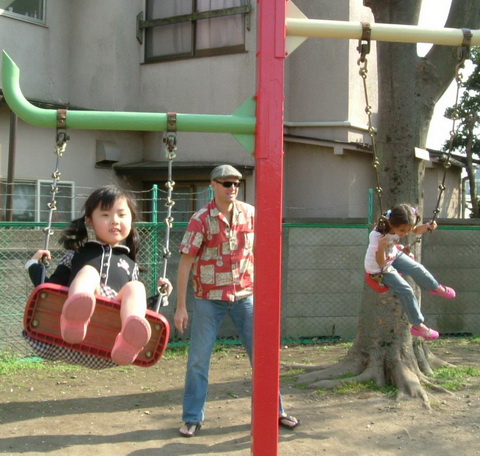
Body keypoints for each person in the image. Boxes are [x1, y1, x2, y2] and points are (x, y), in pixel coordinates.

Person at [174, 164, 299, 437]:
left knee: (263, 356)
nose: (233, 188)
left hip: (245, 296)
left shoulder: (250, 214)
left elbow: (263, 252)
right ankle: (192, 417)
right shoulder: (201, 219)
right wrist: (181, 306)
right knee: (198, 360)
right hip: (209, 298)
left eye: (236, 183)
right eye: (226, 183)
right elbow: (185, 263)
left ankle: (275, 411)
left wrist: (266, 294)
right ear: (213, 185)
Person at [26, 185, 172, 366]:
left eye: (122, 215)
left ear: (131, 220)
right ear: (89, 221)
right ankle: (76, 317)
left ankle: (128, 342)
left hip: (109, 344)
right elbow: (49, 292)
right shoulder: (77, 254)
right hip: (65, 338)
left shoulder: (131, 265)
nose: (115, 221)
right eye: (105, 215)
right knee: (89, 273)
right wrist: (34, 266)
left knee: (136, 288)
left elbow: (139, 307)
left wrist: (161, 297)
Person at [364, 203, 456, 340]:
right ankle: (418, 326)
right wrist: (382, 245)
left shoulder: (400, 223)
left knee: (418, 268)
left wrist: (427, 226)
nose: (405, 234)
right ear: (391, 223)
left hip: (392, 255)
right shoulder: (377, 235)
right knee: (406, 290)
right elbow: (381, 263)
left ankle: (435, 287)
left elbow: (415, 230)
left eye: (407, 230)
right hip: (379, 268)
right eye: (402, 231)